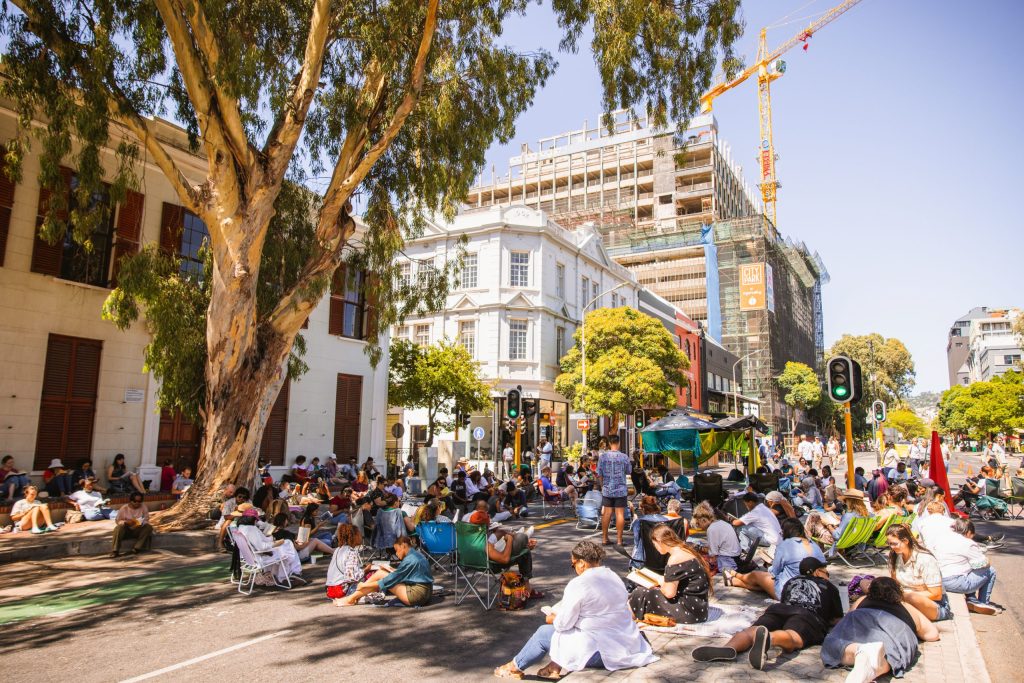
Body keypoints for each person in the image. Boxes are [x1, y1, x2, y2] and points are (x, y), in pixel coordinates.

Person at [494, 541, 657, 679]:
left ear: (582, 563)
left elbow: (563, 625)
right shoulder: (613, 576)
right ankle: (553, 666)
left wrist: (553, 617)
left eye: (573, 565)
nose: (574, 569)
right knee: (573, 631)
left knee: (545, 632)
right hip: (629, 644)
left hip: (604, 653)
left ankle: (514, 666)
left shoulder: (579, 584)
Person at [693, 557, 844, 670]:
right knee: (793, 636)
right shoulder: (829, 586)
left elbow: (785, 599)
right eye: (826, 572)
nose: (828, 575)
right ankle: (769, 638)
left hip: (779, 609)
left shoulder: (792, 581)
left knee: (751, 631)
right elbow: (836, 619)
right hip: (806, 615)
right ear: (818, 571)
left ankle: (730, 647)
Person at [821, 577, 938, 681]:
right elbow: (932, 634)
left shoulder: (862, 600)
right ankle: (871, 664)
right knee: (891, 653)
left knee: (833, 644)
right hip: (894, 625)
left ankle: (860, 650)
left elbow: (848, 618)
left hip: (860, 617)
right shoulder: (906, 607)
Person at [628, 524, 712, 623]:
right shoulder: (686, 549)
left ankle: (626, 620)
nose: (656, 548)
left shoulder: (675, 558)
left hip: (689, 612)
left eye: (654, 544)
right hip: (699, 609)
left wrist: (660, 581)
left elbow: (669, 593)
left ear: (659, 541)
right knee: (644, 592)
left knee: (640, 593)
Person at [731, 518, 825, 598]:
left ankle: (737, 576)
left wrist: (769, 566)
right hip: (815, 590)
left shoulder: (785, 546)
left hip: (791, 591)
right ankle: (735, 581)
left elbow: (774, 572)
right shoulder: (814, 545)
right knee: (766, 580)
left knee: (757, 575)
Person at [931, 517, 1000, 615]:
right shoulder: (967, 543)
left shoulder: (941, 538)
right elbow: (984, 564)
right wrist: (987, 559)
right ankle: (983, 602)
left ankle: (972, 599)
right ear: (968, 533)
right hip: (954, 582)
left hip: (938, 579)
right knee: (990, 570)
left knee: (967, 569)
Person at [341, 535, 433, 606]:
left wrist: (365, 585)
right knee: (383, 573)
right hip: (426, 592)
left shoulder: (409, 560)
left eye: (397, 550)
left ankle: (351, 598)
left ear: (404, 545)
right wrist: (391, 569)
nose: (396, 554)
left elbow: (389, 580)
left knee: (381, 574)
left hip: (417, 595)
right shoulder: (416, 555)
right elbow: (405, 574)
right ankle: (353, 597)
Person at [885, 523, 951, 621]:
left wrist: (903, 595)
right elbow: (894, 583)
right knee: (867, 584)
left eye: (894, 543)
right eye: (889, 543)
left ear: (906, 541)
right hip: (904, 596)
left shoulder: (925, 559)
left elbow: (936, 594)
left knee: (912, 598)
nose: (892, 547)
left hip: (934, 604)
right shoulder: (896, 555)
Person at [233, 506, 305, 585]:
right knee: (288, 545)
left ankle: (285, 574)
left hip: (250, 557)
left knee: (287, 544)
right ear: (252, 519)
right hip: (260, 557)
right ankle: (293, 572)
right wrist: (275, 543)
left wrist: (272, 539)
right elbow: (262, 547)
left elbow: (261, 541)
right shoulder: (251, 529)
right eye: (256, 520)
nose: (257, 522)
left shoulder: (241, 528)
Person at [597, 434, 631, 547]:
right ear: (619, 443)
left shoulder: (602, 457)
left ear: (609, 444)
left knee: (606, 514)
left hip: (607, 489)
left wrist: (602, 486)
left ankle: (604, 538)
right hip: (620, 489)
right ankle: (619, 540)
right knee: (620, 514)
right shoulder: (624, 457)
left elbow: (599, 474)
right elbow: (629, 471)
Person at [691, 501, 742, 576]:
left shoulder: (711, 529)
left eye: (698, 524)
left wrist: (700, 549)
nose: (699, 527)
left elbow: (713, 554)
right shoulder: (721, 522)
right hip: (735, 557)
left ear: (703, 520)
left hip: (727, 560)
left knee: (698, 561)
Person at [327, 523, 365, 604]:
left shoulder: (337, 550)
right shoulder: (351, 552)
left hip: (330, 590)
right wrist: (366, 570)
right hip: (342, 589)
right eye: (359, 535)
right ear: (354, 537)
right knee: (372, 577)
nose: (361, 537)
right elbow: (350, 577)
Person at [111, 492, 153, 556]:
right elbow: (118, 521)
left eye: (139, 501)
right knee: (118, 528)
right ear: (131, 501)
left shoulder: (143, 507)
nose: (137, 503)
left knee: (149, 527)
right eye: (135, 501)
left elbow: (146, 519)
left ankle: (136, 548)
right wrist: (126, 522)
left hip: (137, 530)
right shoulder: (124, 508)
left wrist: (139, 522)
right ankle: (115, 550)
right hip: (126, 530)